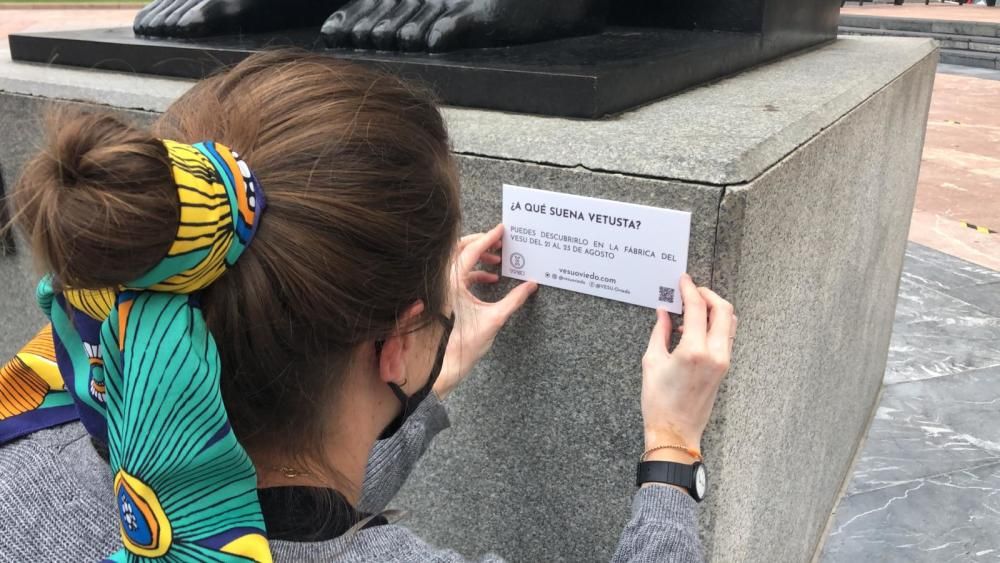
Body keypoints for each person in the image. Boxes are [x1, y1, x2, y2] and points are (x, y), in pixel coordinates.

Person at [0, 50, 736, 562]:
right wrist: (673, 450)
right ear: (396, 341)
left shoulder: (31, 445)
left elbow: (275, 514)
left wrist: (423, 380)